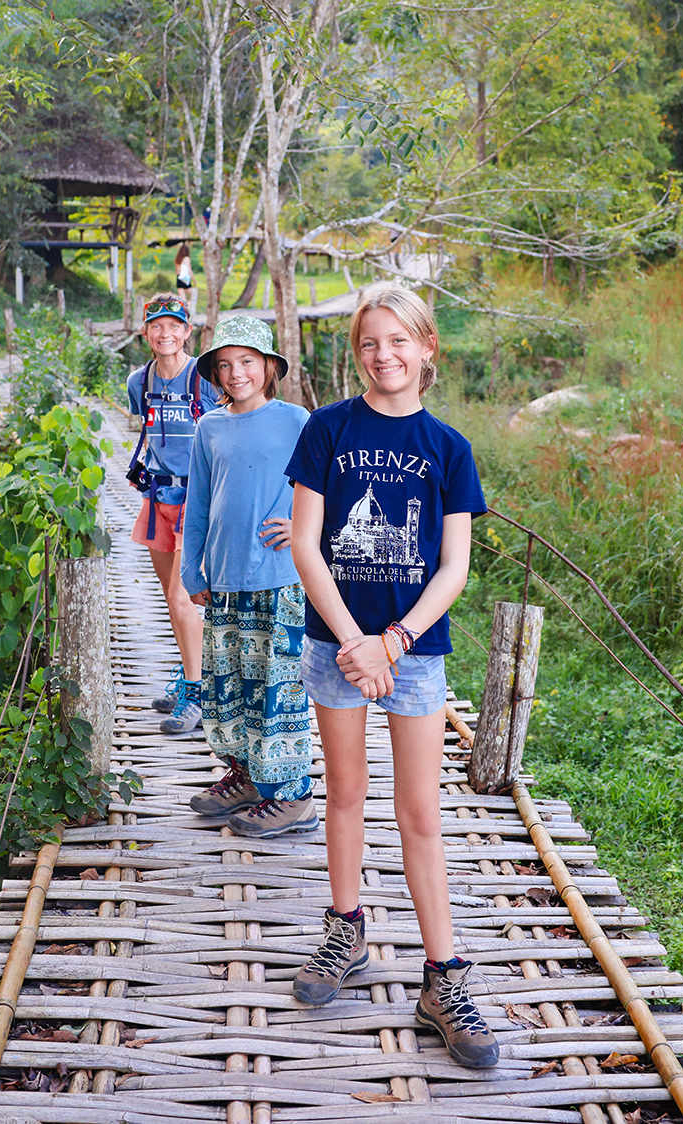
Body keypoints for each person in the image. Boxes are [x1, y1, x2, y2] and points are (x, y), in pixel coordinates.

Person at [283, 284, 498, 1068]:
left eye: (400, 340)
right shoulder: (328, 429)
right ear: (358, 352)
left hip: (414, 652)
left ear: (427, 347)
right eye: (371, 342)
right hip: (337, 644)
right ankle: (346, 930)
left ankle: (443, 977)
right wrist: (355, 642)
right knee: (344, 792)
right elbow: (306, 543)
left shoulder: (448, 447)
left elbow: (455, 565)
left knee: (420, 814)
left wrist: (393, 642)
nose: (385, 355)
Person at [178, 316, 315, 837]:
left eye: (247, 362)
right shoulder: (209, 427)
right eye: (225, 365)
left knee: (276, 689)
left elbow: (328, 488)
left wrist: (302, 527)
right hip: (225, 580)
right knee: (228, 688)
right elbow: (198, 503)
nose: (236, 373)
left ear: (269, 367)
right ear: (215, 373)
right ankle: (249, 778)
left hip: (280, 581)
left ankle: (294, 795)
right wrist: (192, 568)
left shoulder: (297, 421)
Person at [125, 293, 222, 735]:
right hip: (157, 495)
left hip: (196, 499)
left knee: (184, 597)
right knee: (170, 596)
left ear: (187, 331)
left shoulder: (204, 377)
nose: (165, 334)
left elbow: (227, 426)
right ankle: (190, 674)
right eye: (156, 326)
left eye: (174, 326)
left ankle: (199, 696)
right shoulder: (139, 381)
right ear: (145, 332)